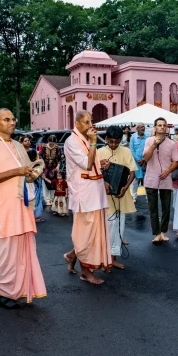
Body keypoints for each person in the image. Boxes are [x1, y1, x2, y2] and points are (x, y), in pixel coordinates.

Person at [0, 108, 47, 309]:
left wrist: (32, 172)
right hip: (2, 208)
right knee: (3, 253)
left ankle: (20, 291)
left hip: (20, 206)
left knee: (20, 252)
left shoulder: (18, 145)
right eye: (6, 119)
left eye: (13, 119)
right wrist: (16, 171)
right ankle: (2, 293)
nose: (11, 122)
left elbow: (25, 173)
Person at [63, 110, 112, 284]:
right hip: (84, 194)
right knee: (85, 234)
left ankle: (71, 255)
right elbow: (86, 163)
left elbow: (92, 164)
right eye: (86, 122)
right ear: (77, 124)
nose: (90, 125)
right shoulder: (71, 142)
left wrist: (101, 164)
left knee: (93, 233)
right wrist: (93, 143)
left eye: (91, 121)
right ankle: (85, 271)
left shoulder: (85, 141)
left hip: (95, 192)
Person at [98, 126, 137, 269]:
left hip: (122, 195)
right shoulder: (99, 152)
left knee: (119, 227)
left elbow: (132, 172)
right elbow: (95, 174)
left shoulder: (126, 151)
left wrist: (125, 188)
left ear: (121, 140)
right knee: (108, 227)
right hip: (105, 196)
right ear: (106, 139)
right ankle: (104, 258)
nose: (114, 144)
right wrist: (104, 182)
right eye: (111, 141)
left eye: (117, 142)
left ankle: (112, 258)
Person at [143, 118, 178, 243]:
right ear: (155, 127)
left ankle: (163, 232)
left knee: (166, 207)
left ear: (167, 128)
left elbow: (176, 161)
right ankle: (156, 233)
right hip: (151, 178)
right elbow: (146, 158)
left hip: (166, 179)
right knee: (153, 208)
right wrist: (154, 144)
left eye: (164, 125)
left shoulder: (172, 143)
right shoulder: (148, 141)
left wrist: (168, 171)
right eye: (159, 125)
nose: (162, 127)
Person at [129, 122, 149, 203]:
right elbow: (131, 149)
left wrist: (144, 159)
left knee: (147, 180)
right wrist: (138, 159)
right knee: (135, 181)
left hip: (146, 162)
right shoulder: (133, 137)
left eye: (143, 127)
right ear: (137, 129)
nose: (142, 128)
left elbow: (150, 149)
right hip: (136, 163)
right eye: (140, 127)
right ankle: (134, 196)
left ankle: (148, 197)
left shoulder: (148, 136)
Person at [40, 135, 61, 206]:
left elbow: (59, 158)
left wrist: (58, 165)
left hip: (54, 168)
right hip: (46, 168)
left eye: (53, 143)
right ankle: (47, 199)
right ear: (48, 141)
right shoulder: (44, 147)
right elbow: (40, 156)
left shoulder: (57, 148)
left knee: (53, 184)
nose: (52, 144)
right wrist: (42, 163)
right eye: (50, 142)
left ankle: (52, 198)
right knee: (45, 182)